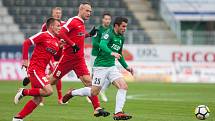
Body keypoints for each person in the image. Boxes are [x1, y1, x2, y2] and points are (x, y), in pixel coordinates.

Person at [62, 17, 133, 120]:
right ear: (116, 26)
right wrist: (111, 52)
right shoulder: (108, 33)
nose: (125, 28)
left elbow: (120, 53)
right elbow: (102, 44)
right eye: (123, 26)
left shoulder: (121, 38)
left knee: (123, 86)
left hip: (111, 67)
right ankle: (72, 93)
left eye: (126, 26)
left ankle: (118, 112)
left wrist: (126, 66)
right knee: (94, 92)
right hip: (100, 67)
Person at [48, 2, 110, 117]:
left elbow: (77, 36)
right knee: (51, 82)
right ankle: (27, 88)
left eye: (90, 11)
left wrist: (88, 35)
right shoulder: (73, 21)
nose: (89, 13)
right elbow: (61, 32)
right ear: (80, 10)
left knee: (89, 82)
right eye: (87, 11)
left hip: (79, 59)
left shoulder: (81, 23)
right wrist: (72, 44)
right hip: (68, 58)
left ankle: (97, 108)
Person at [12, 18, 62, 121]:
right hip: (35, 69)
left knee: (38, 99)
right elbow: (26, 43)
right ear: (51, 26)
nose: (59, 28)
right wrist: (25, 60)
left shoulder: (56, 41)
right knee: (48, 91)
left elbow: (52, 55)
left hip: (41, 70)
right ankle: (24, 92)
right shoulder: (43, 35)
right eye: (58, 25)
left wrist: (60, 46)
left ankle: (18, 118)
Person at [22, 7, 66, 105]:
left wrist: (59, 46)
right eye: (56, 13)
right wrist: (25, 60)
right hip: (46, 57)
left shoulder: (63, 25)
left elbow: (54, 44)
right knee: (54, 75)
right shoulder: (45, 29)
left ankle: (54, 97)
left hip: (55, 53)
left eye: (59, 13)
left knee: (53, 76)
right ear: (52, 14)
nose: (58, 14)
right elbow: (40, 43)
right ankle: (41, 95)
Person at [87, 12, 112, 103]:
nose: (107, 21)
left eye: (109, 19)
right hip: (96, 55)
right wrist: (105, 47)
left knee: (110, 76)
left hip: (106, 56)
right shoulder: (97, 29)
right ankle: (90, 94)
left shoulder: (111, 30)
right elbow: (95, 43)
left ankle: (102, 91)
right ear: (102, 20)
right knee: (93, 76)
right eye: (106, 19)